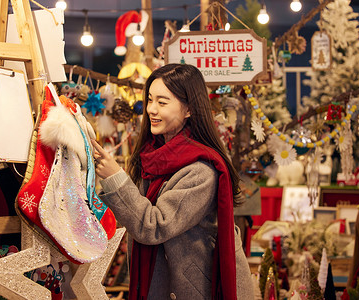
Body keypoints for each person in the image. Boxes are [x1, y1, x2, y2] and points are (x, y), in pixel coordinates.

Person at [91, 64, 254, 300]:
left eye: (162, 102)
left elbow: (153, 226)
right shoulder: (153, 158)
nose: (151, 110)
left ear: (188, 109)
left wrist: (116, 178)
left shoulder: (200, 171)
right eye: (150, 100)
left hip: (191, 290)